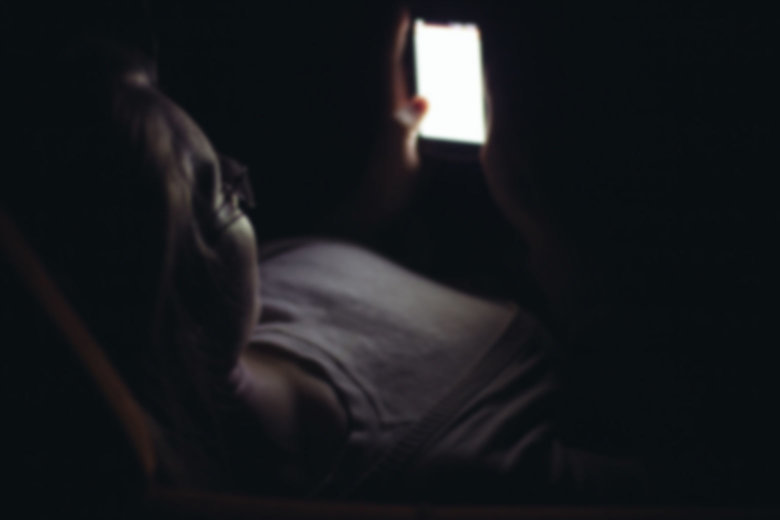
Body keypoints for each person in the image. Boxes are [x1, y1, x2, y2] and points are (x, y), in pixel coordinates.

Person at [6, 7, 663, 506]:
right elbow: (669, 478)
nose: (241, 179)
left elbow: (323, 302)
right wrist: (561, 252)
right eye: (221, 194)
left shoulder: (249, 299)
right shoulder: (452, 470)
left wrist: (372, 207)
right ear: (181, 300)